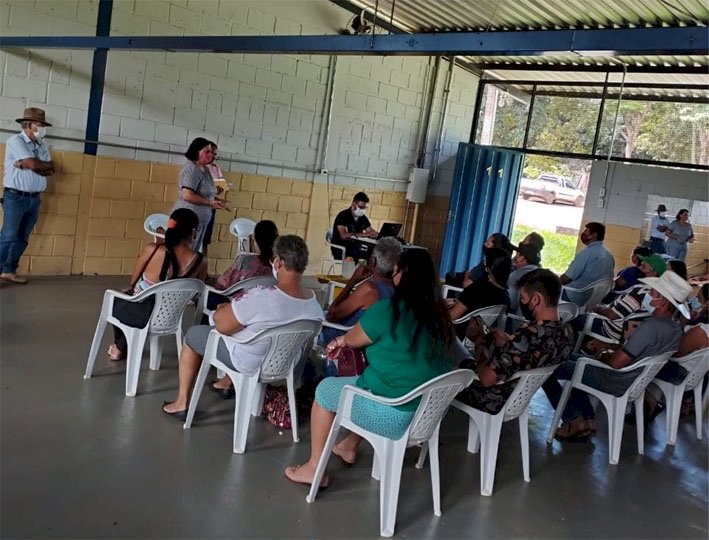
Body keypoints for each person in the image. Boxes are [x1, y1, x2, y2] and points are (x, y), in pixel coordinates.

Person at [284, 249, 454, 487]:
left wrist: (341, 340)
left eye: (396, 273)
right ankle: (348, 446)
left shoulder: (389, 310)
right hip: (429, 413)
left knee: (325, 391)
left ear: (402, 276)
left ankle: (314, 468)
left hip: (392, 416)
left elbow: (353, 339)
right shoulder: (441, 317)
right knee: (378, 382)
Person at [161, 235, 324, 419]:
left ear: (278, 262)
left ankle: (182, 402)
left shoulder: (262, 296)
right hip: (285, 364)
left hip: (248, 362)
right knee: (249, 332)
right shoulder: (313, 304)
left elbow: (222, 326)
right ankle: (226, 382)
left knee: (192, 335)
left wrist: (224, 309)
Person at [543, 270, 691, 440]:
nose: (648, 295)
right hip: (633, 377)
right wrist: (606, 345)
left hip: (616, 379)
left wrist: (603, 353)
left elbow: (616, 363)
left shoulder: (650, 327)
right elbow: (637, 351)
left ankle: (573, 419)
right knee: (571, 359)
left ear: (663, 301)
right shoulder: (674, 328)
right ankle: (585, 420)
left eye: (653, 292)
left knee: (549, 368)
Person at [456, 269, 574, 414]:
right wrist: (509, 341)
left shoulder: (528, 335)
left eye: (523, 297)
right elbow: (530, 354)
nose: (521, 302)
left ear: (536, 299)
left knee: (453, 362)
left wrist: (479, 340)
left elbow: (486, 378)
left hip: (493, 397)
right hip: (519, 398)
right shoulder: (566, 332)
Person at [107, 208, 208, 361]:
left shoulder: (152, 250)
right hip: (170, 317)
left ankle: (119, 347)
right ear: (193, 232)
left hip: (142, 314)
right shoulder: (201, 262)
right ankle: (121, 347)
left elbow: (133, 282)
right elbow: (197, 291)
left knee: (117, 300)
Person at [1, 108, 55, 284]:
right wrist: (35, 164)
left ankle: (9, 270)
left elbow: (51, 168)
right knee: (8, 235)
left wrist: (29, 164)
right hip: (15, 197)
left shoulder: (43, 145)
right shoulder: (15, 141)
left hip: (35, 198)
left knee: (22, 237)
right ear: (29, 124)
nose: (42, 128)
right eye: (39, 124)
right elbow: (34, 163)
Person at [320, 236, 401, 344]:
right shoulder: (397, 289)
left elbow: (331, 315)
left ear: (373, 261)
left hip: (339, 339)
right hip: (367, 342)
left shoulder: (369, 289)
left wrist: (353, 281)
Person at [580, 253, 666, 351]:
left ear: (654, 273)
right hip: (624, 331)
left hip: (610, 328)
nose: (639, 268)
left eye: (643, 267)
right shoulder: (657, 294)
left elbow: (612, 314)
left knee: (574, 319)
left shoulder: (641, 291)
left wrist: (597, 309)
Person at [172, 137, 229, 252]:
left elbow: (204, 193)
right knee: (184, 254)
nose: (210, 155)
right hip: (187, 220)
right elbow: (187, 195)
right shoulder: (192, 169)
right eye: (207, 152)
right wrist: (210, 203)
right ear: (196, 152)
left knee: (193, 253)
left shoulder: (205, 169)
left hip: (200, 221)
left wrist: (216, 200)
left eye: (212, 152)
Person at [448, 248, 511, 338]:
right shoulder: (505, 297)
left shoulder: (476, 289)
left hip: (458, 334)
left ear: (487, 266)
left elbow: (451, 316)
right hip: (478, 338)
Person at [560, 222, 615, 303]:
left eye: (586, 231)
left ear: (594, 235)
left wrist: (553, 282)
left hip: (575, 296)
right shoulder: (610, 256)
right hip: (595, 300)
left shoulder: (586, 253)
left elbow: (566, 278)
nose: (583, 234)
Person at [330, 192, 378, 261]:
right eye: (361, 207)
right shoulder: (342, 216)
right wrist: (365, 234)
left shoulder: (363, 218)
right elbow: (344, 235)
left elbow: (371, 231)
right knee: (363, 257)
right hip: (341, 249)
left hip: (355, 248)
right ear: (353, 204)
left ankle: (363, 271)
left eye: (364, 207)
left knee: (372, 255)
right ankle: (356, 271)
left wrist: (379, 235)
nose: (363, 210)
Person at [201, 141, 225, 259]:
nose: (212, 156)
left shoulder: (216, 168)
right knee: (194, 238)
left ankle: (203, 271)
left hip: (210, 207)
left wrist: (219, 191)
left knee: (205, 239)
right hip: (198, 207)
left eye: (214, 154)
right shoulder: (197, 167)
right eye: (209, 152)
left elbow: (220, 184)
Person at [507, 243, 541, 313]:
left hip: (517, 320)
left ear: (522, 259)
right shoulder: (543, 274)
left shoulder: (515, 276)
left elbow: (511, 303)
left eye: (517, 255)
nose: (515, 258)